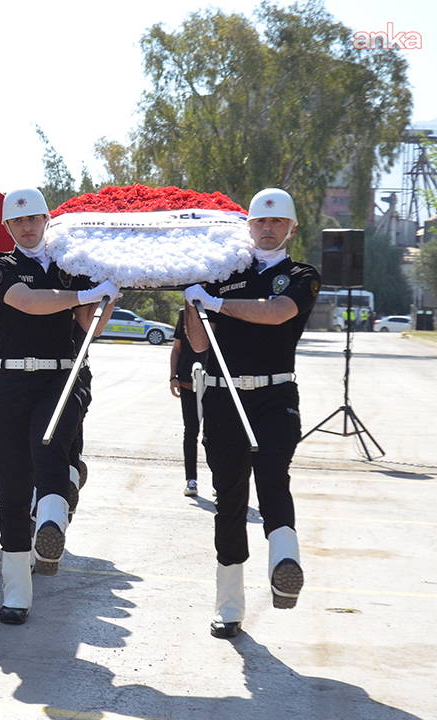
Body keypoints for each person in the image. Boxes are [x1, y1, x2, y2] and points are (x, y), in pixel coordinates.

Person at [183, 187, 318, 639]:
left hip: (274, 396)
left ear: (291, 229)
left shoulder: (302, 275)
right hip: (224, 397)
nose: (267, 228)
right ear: (249, 226)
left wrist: (217, 304)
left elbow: (278, 313)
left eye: (277, 222)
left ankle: (285, 562)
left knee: (273, 478)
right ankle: (229, 606)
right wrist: (192, 302)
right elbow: (200, 344)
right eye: (260, 221)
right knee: (229, 499)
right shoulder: (225, 274)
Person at [0, 188, 117, 625]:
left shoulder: (71, 266)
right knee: (14, 483)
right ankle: (17, 588)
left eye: (34, 218)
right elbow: (26, 301)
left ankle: (52, 526)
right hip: (8, 380)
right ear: (7, 227)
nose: (27, 226)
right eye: (18, 221)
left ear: (47, 220)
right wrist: (82, 294)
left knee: (51, 449)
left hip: (59, 376)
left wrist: (106, 292)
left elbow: (90, 328)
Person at [170, 307, 207, 497]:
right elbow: (177, 349)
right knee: (191, 432)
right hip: (187, 383)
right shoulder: (185, 314)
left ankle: (220, 482)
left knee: (214, 436)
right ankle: (191, 480)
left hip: (214, 386)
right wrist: (173, 377)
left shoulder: (220, 308)